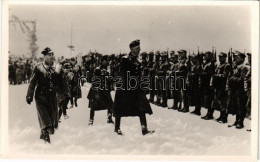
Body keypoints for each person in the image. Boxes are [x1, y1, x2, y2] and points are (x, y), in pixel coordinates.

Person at [26, 47, 69, 143]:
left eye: (52, 54)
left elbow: (63, 82)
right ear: (44, 56)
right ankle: (46, 136)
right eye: (49, 55)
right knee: (44, 117)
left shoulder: (58, 67)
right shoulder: (38, 67)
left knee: (52, 116)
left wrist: (66, 93)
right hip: (40, 95)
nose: (51, 56)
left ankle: (44, 134)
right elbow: (32, 82)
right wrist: (29, 95)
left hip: (53, 96)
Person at [111, 40, 154, 135]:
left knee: (141, 107)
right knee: (120, 108)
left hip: (136, 88)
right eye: (138, 48)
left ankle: (144, 129)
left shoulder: (138, 60)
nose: (140, 50)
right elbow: (123, 73)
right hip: (125, 88)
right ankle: (116, 128)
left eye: (139, 48)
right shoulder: (125, 59)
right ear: (132, 49)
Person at [87, 55, 114, 125]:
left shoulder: (108, 69)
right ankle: (91, 119)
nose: (106, 62)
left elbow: (110, 79)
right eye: (105, 61)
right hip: (97, 89)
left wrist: (109, 83)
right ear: (101, 61)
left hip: (105, 89)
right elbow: (95, 79)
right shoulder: (97, 69)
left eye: (107, 61)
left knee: (110, 104)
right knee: (93, 105)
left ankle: (109, 118)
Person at [227, 51, 249, 129]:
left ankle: (240, 122)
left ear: (242, 59)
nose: (235, 58)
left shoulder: (244, 67)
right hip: (234, 89)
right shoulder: (235, 66)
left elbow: (241, 79)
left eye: (237, 57)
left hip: (240, 90)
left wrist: (232, 79)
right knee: (235, 105)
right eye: (235, 57)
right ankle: (236, 121)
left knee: (241, 106)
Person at [210, 52, 231, 123]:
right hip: (218, 85)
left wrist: (216, 75)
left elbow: (225, 75)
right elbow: (215, 73)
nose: (220, 58)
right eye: (219, 57)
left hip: (223, 85)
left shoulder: (227, 65)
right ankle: (221, 116)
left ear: (225, 58)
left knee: (223, 102)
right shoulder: (218, 65)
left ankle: (224, 118)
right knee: (218, 101)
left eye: (221, 57)